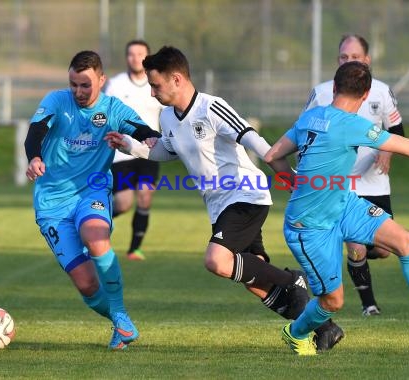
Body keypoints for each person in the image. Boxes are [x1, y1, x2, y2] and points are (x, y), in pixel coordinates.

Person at [264, 61, 409, 355]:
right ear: (366, 93)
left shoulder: (311, 116)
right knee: (333, 301)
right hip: (310, 226)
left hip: (344, 205)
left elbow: (272, 156)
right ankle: (295, 333)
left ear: (333, 87)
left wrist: (294, 183)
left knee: (405, 241)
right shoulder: (353, 125)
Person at [104, 45, 330, 335]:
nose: (151, 92)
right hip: (219, 204)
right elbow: (167, 150)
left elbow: (252, 139)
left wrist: (288, 177)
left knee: (216, 260)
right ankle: (326, 329)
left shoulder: (211, 107)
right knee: (254, 279)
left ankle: (292, 280)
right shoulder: (168, 117)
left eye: (155, 85)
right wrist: (131, 146)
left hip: (245, 194)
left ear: (176, 79)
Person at [24, 50, 161, 350]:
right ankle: (119, 324)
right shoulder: (56, 101)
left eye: (85, 85)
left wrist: (149, 138)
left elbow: (141, 128)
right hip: (51, 204)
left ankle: (121, 316)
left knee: (95, 236)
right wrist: (34, 156)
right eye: (73, 84)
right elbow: (35, 132)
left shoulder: (112, 108)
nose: (78, 91)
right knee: (86, 284)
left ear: (102, 80)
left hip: (92, 190)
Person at [304, 34, 404, 316]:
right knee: (356, 247)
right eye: (344, 58)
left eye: (355, 57)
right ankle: (369, 305)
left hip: (374, 181)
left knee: (383, 249)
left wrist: (386, 151)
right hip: (339, 183)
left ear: (367, 61)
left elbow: (396, 130)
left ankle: (338, 243)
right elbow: (305, 130)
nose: (349, 62)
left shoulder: (381, 92)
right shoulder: (323, 92)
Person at [104, 39, 164, 261]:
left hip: (150, 150)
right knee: (123, 203)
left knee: (146, 196)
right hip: (122, 151)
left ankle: (134, 249)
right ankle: (92, 220)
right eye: (131, 54)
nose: (135, 58)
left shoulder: (157, 83)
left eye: (140, 54)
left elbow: (166, 114)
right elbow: (105, 112)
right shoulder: (116, 84)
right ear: (126, 57)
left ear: (147, 57)